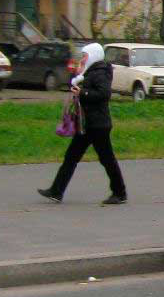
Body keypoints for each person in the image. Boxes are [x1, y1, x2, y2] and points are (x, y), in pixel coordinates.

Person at [38, 43, 128, 205]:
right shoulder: (90, 71)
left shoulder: (101, 72)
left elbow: (103, 94)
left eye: (85, 56)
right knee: (71, 156)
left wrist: (83, 92)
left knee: (107, 159)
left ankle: (120, 193)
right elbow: (81, 85)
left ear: (93, 55)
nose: (83, 59)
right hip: (86, 124)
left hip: (98, 125)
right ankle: (56, 191)